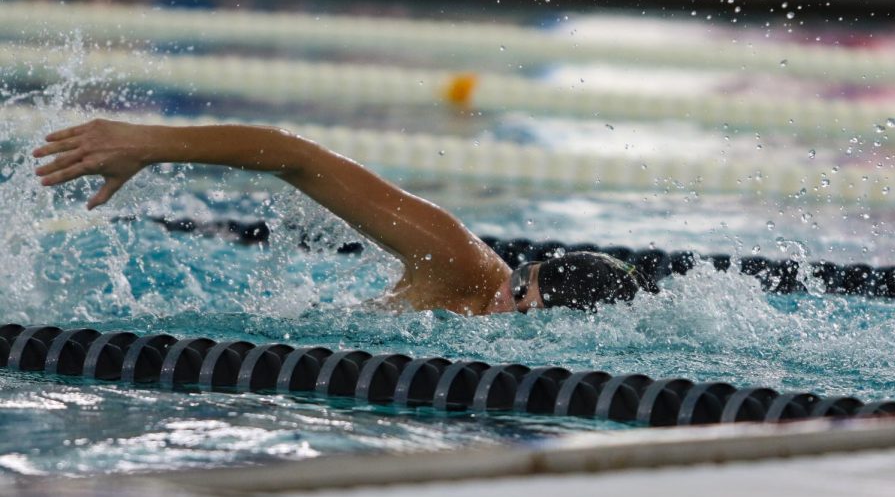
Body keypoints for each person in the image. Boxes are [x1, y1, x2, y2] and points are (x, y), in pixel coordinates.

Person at [32, 119, 650, 315]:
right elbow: (296, 158)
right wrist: (150, 143)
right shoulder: (458, 259)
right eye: (517, 286)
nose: (504, 296)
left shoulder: (486, 313)